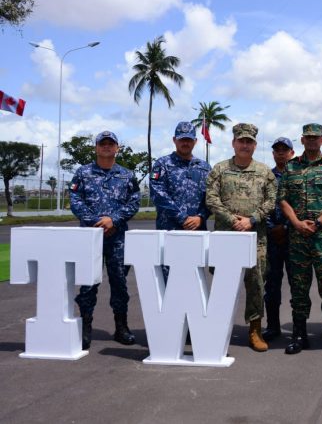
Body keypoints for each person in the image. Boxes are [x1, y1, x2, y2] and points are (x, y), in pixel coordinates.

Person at [205, 123, 276, 352]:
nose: (245, 145)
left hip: (256, 237)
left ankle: (255, 329)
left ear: (254, 145)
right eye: (241, 141)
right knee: (223, 283)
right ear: (234, 143)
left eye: (249, 141)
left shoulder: (265, 172)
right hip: (226, 236)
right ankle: (217, 328)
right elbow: (211, 198)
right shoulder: (220, 169)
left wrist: (252, 219)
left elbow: (271, 201)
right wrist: (232, 219)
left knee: (256, 284)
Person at [278, 123, 322, 356]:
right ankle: (299, 335)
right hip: (298, 237)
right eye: (308, 138)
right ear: (302, 140)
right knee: (299, 287)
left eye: (315, 138)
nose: (311, 141)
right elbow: (283, 199)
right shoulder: (291, 168)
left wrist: (317, 223)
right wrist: (297, 223)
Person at [69, 130, 141, 349]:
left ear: (117, 148)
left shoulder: (127, 175)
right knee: (88, 284)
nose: (107, 147)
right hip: (90, 237)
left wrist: (113, 220)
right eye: (103, 144)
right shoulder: (83, 173)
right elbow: (75, 199)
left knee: (119, 284)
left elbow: (134, 201)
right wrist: (95, 221)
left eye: (111, 144)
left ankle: (121, 327)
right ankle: (85, 328)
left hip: (117, 237)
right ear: (96, 147)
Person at [150, 121, 211, 281]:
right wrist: (182, 218)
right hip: (169, 232)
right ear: (174, 140)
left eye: (189, 139)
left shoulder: (204, 167)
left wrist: (201, 217)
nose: (185, 143)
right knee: (168, 281)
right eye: (182, 139)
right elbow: (158, 194)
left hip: (196, 232)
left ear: (195, 141)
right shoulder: (162, 164)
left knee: (194, 282)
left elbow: (211, 198)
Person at [263, 137, 295, 341]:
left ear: (292, 153)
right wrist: (271, 227)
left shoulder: (298, 175)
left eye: (285, 150)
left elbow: (302, 206)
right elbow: (258, 203)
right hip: (271, 238)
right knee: (272, 286)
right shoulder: (265, 177)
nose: (281, 153)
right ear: (273, 154)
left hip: (293, 238)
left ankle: (298, 327)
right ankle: (273, 326)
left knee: (297, 285)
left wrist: (286, 227)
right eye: (277, 150)